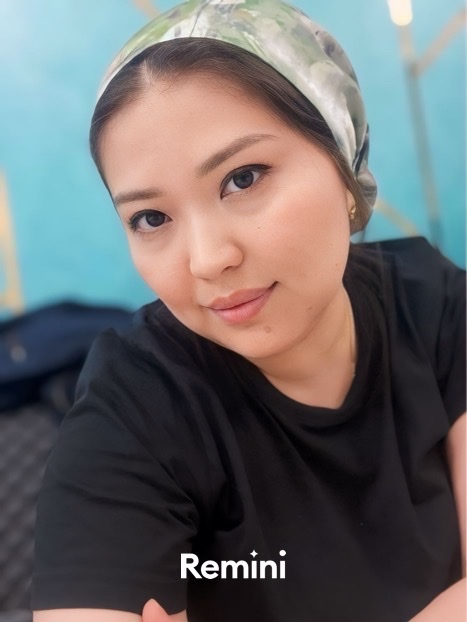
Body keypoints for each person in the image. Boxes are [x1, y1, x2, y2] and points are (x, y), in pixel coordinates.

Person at [31, 1, 466, 621]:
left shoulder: (435, 305)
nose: (208, 260)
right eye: (151, 218)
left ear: (342, 162)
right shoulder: (137, 402)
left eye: (243, 178)